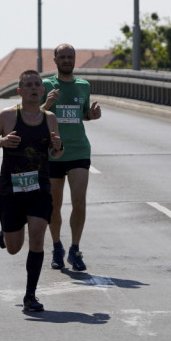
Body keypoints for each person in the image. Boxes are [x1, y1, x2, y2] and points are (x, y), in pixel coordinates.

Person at [0, 70, 64, 313]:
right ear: (20, 91)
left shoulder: (49, 118)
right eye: (28, 85)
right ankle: (6, 234)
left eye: (37, 85)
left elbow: (55, 153)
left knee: (37, 237)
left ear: (43, 91)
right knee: (14, 247)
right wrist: (2, 142)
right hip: (10, 189)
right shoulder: (7, 116)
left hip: (39, 188)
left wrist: (58, 147)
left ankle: (30, 295)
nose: (34, 88)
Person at [41, 43, 101, 271]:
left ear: (74, 60)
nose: (67, 60)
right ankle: (57, 246)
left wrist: (91, 114)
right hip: (53, 152)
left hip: (78, 150)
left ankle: (75, 249)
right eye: (63, 57)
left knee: (79, 201)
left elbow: (82, 113)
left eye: (70, 57)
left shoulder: (83, 86)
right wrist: (47, 103)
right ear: (55, 60)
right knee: (54, 205)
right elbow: (34, 114)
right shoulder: (46, 85)